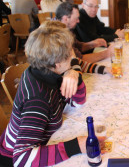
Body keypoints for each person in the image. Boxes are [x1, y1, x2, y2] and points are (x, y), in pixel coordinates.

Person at [0, 25, 105, 166]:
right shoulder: (37, 100)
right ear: (58, 63)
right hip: (17, 157)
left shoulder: (47, 70)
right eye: (71, 53)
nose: (74, 56)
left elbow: (78, 101)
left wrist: (73, 73)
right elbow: (21, 158)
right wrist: (75, 146)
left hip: (45, 136)